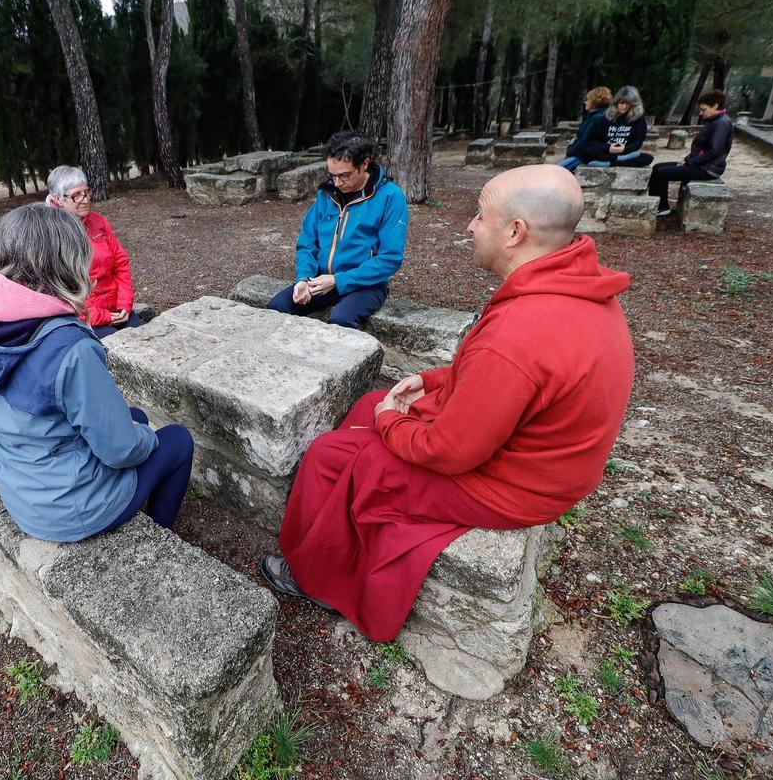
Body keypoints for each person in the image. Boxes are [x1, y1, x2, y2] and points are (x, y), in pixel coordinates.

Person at [260, 164, 635, 641]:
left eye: (480, 216)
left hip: (519, 484)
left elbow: (453, 450)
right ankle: (336, 517)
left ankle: (314, 576)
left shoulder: (520, 333)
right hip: (542, 456)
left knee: (335, 458)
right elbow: (508, 380)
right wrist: (433, 381)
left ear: (515, 232)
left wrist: (391, 423)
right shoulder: (572, 284)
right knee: (370, 406)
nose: (470, 226)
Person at [0, 203, 195, 542]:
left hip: (19, 483)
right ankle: (158, 536)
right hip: (70, 507)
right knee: (177, 440)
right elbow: (120, 450)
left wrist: (132, 424)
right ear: (65, 261)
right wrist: (146, 436)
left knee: (134, 414)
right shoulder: (69, 346)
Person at [267, 131, 408, 329]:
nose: (337, 183)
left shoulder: (390, 196)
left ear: (364, 164)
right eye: (332, 175)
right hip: (321, 280)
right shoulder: (327, 194)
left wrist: (338, 280)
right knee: (277, 306)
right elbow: (307, 242)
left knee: (340, 321)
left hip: (366, 284)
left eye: (344, 175)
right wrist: (303, 279)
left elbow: (390, 258)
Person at [46, 165, 142, 339]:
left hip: (116, 308)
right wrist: (102, 316)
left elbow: (120, 263)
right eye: (76, 195)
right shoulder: (50, 235)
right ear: (58, 198)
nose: (85, 200)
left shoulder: (98, 222)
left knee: (144, 340)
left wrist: (124, 304)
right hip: (84, 317)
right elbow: (61, 290)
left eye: (86, 192)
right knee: (116, 351)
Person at [648, 89, 733, 217]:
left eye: (703, 109)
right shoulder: (714, 121)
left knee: (662, 172)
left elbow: (713, 151)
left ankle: (662, 208)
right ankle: (657, 204)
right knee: (657, 167)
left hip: (708, 169)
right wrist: (687, 160)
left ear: (715, 106)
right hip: (700, 164)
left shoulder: (721, 123)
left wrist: (690, 162)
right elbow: (701, 148)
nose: (700, 113)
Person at [578, 86, 653, 168]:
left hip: (625, 152)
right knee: (585, 151)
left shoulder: (639, 120)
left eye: (627, 104)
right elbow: (593, 141)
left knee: (647, 158)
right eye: (621, 103)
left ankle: (612, 163)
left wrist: (625, 148)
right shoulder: (605, 117)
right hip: (605, 151)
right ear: (616, 102)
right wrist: (608, 148)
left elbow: (638, 141)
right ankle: (618, 159)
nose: (624, 106)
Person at [559, 87, 612, 172]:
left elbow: (584, 140)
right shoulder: (599, 115)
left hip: (584, 156)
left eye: (588, 100)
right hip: (588, 154)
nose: (585, 102)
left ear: (595, 101)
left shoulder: (596, 118)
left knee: (556, 171)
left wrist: (570, 152)